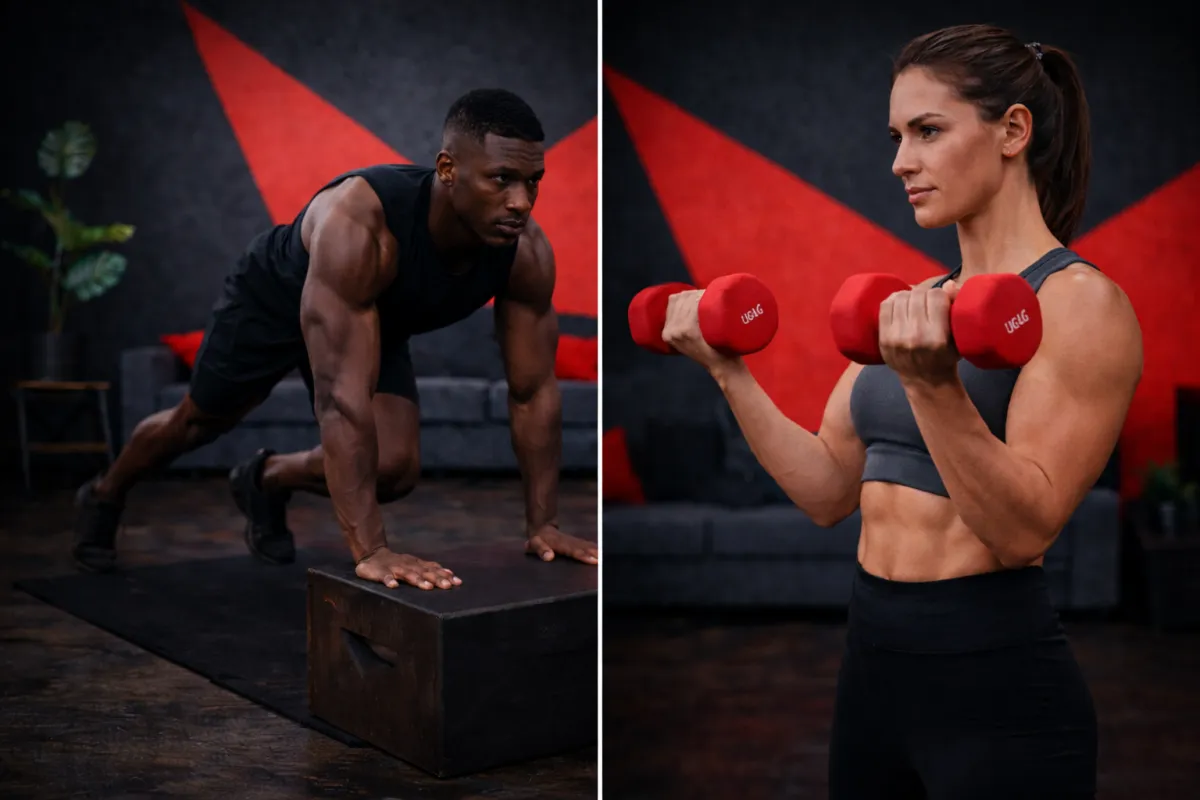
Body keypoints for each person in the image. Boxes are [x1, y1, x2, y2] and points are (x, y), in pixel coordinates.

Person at [660, 24, 1141, 800]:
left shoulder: (1080, 305)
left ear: (1013, 130)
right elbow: (825, 492)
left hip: (996, 688)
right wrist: (728, 372)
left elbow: (1025, 531)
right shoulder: (915, 306)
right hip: (872, 675)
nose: (900, 162)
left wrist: (933, 387)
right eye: (896, 136)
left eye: (927, 131)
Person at [72, 88, 599, 589]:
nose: (521, 202)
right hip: (275, 298)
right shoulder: (362, 224)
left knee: (391, 470)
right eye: (502, 178)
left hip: (373, 314)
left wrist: (544, 523)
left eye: (533, 182)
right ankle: (104, 492)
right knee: (197, 422)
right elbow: (341, 404)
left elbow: (532, 392)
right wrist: (371, 551)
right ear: (447, 169)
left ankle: (263, 478)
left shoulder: (523, 254)